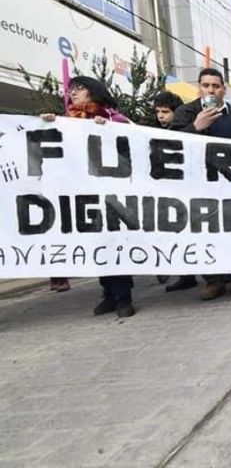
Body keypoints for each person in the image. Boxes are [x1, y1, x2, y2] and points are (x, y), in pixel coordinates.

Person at [40, 77, 135, 317]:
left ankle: (123, 297)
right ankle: (108, 294)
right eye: (71, 90)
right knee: (98, 244)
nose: (74, 93)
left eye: (79, 89)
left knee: (114, 242)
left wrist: (109, 129)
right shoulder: (67, 120)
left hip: (112, 194)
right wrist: (49, 125)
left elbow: (133, 142)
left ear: (94, 92)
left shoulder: (114, 118)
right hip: (83, 194)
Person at [171, 68, 231, 300]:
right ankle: (213, 280)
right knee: (205, 230)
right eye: (206, 85)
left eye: (215, 86)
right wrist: (195, 127)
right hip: (200, 183)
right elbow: (172, 144)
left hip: (230, 183)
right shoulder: (185, 113)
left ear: (223, 90)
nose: (210, 89)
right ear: (199, 87)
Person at [149, 91, 184, 286]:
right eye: (158, 112)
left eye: (165, 111)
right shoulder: (151, 133)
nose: (161, 116)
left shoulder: (185, 130)